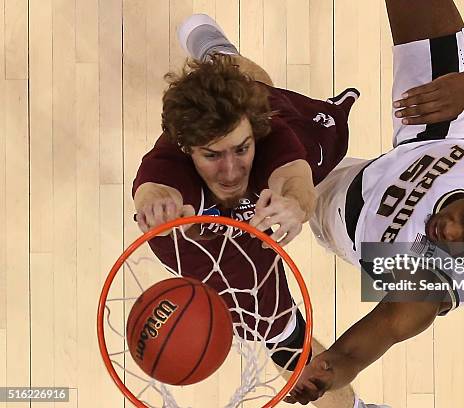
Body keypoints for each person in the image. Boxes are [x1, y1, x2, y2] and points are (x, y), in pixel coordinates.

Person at [287, 1, 464, 404]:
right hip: (442, 135)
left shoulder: (430, 286)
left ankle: (217, 55)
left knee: (250, 140)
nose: (449, 229)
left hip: (351, 211)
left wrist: (329, 369)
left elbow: (377, 335)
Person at [131, 14, 377, 408]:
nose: (230, 170)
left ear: (254, 134)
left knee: (256, 86)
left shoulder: (274, 133)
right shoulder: (167, 163)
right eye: (211, 155)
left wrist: (295, 205)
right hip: (214, 245)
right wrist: (157, 208)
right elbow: (152, 190)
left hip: (271, 140)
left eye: (240, 149)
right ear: (187, 147)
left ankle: (220, 57)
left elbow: (296, 178)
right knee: (280, 331)